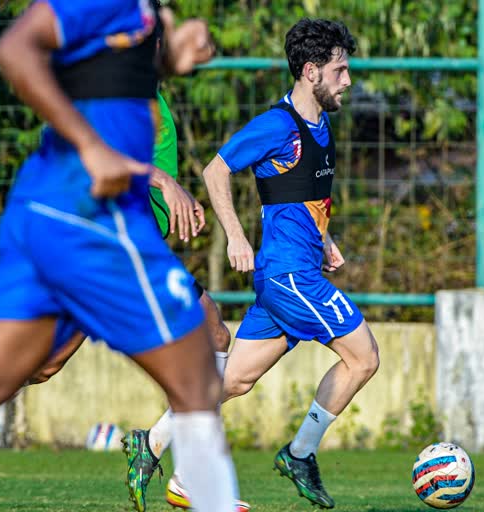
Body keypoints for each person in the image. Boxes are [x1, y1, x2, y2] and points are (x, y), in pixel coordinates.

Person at [0, 2, 239, 512]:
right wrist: (143, 171)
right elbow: (13, 50)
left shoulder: (141, 15)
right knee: (197, 369)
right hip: (95, 221)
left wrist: (169, 61)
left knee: (19, 371)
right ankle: (202, 494)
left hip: (52, 210)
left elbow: (97, 79)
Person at [125, 17, 380, 510]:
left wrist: (325, 241)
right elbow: (215, 170)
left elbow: (303, 197)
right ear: (311, 71)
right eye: (340, 70)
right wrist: (236, 237)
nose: (348, 80)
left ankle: (151, 446)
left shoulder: (320, 124)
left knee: (233, 381)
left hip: (295, 270)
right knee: (364, 357)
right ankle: (300, 453)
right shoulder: (277, 125)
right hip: (289, 276)